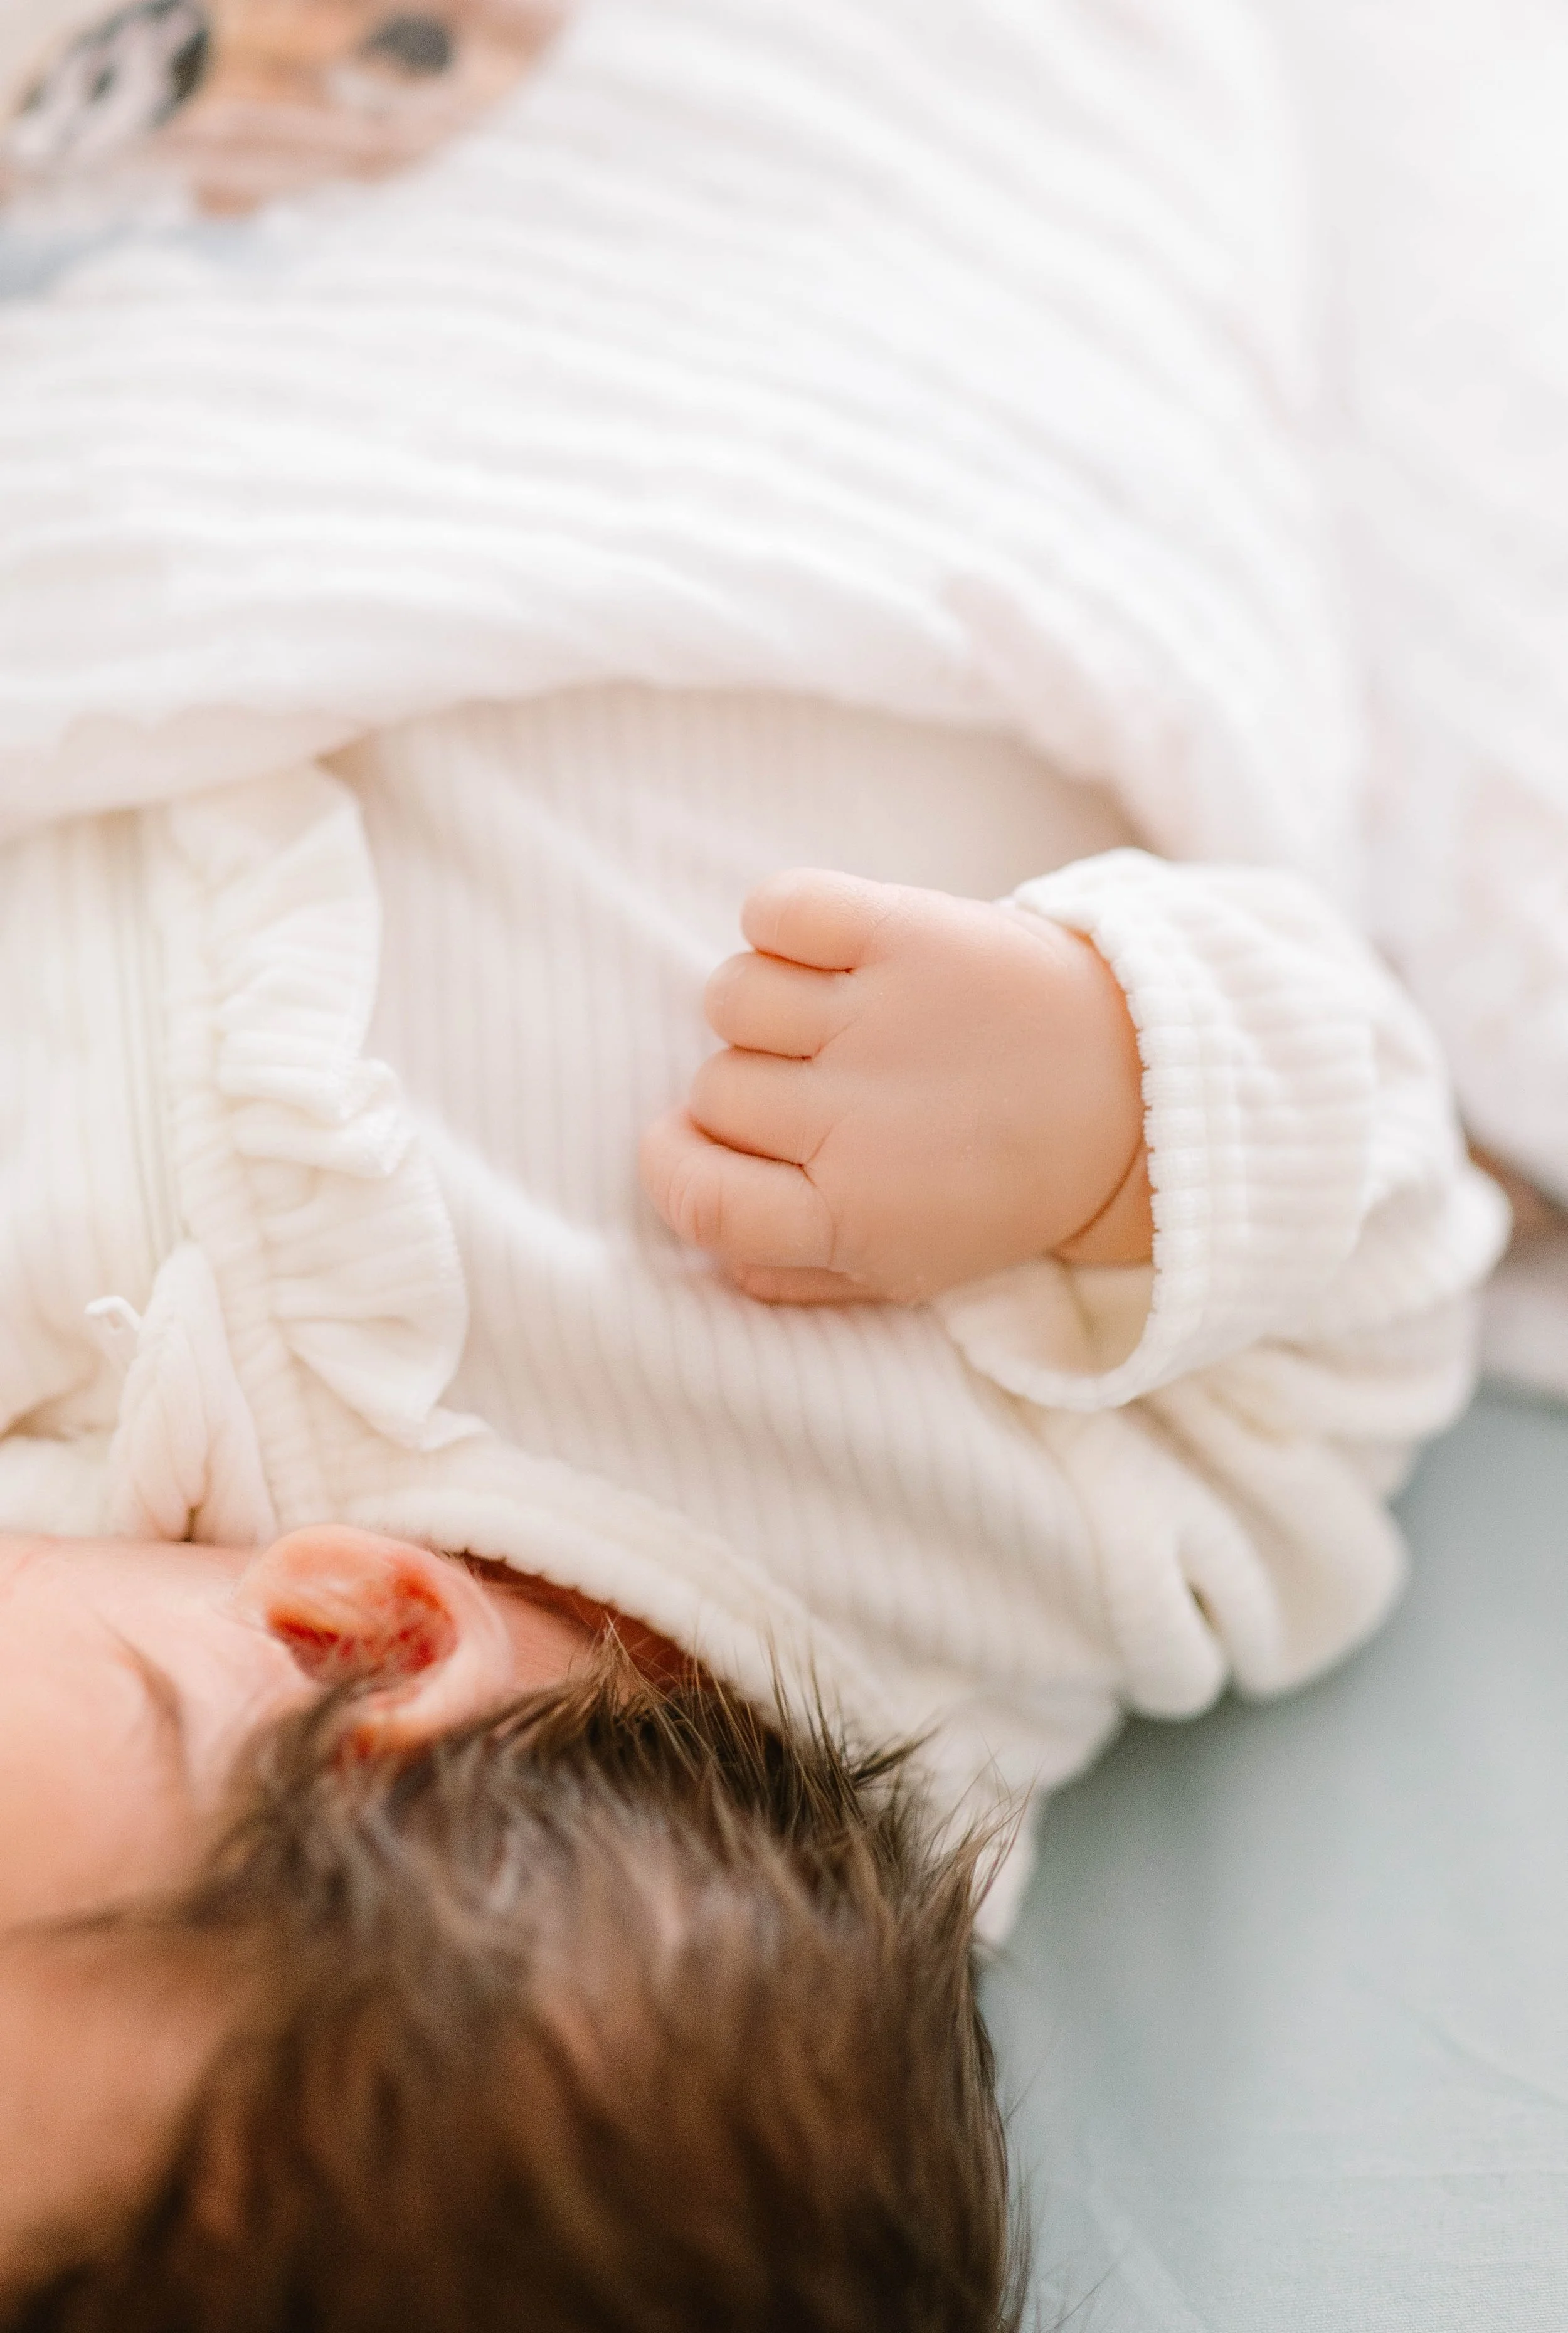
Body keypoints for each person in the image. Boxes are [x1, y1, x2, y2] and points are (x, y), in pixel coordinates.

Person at [0, 0, 1512, 2314]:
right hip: (799, 347)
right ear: (354, 1646)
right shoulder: (1004, 1575)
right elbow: (1375, 1270)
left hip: (183, 296)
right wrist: (1115, 1104)